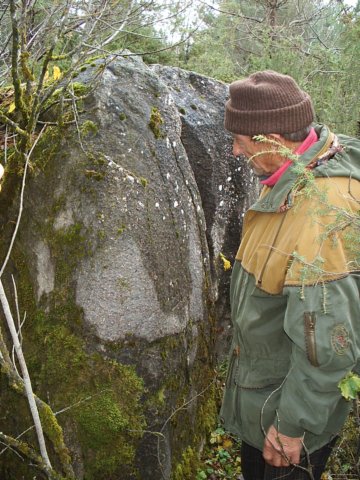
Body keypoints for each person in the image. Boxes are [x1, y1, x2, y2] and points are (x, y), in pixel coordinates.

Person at [220, 70, 360, 480]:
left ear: (275, 141)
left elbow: (329, 346)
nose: (233, 152)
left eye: (240, 143)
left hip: (287, 418)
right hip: (264, 396)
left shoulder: (321, 214)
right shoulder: (291, 174)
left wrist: (292, 427)